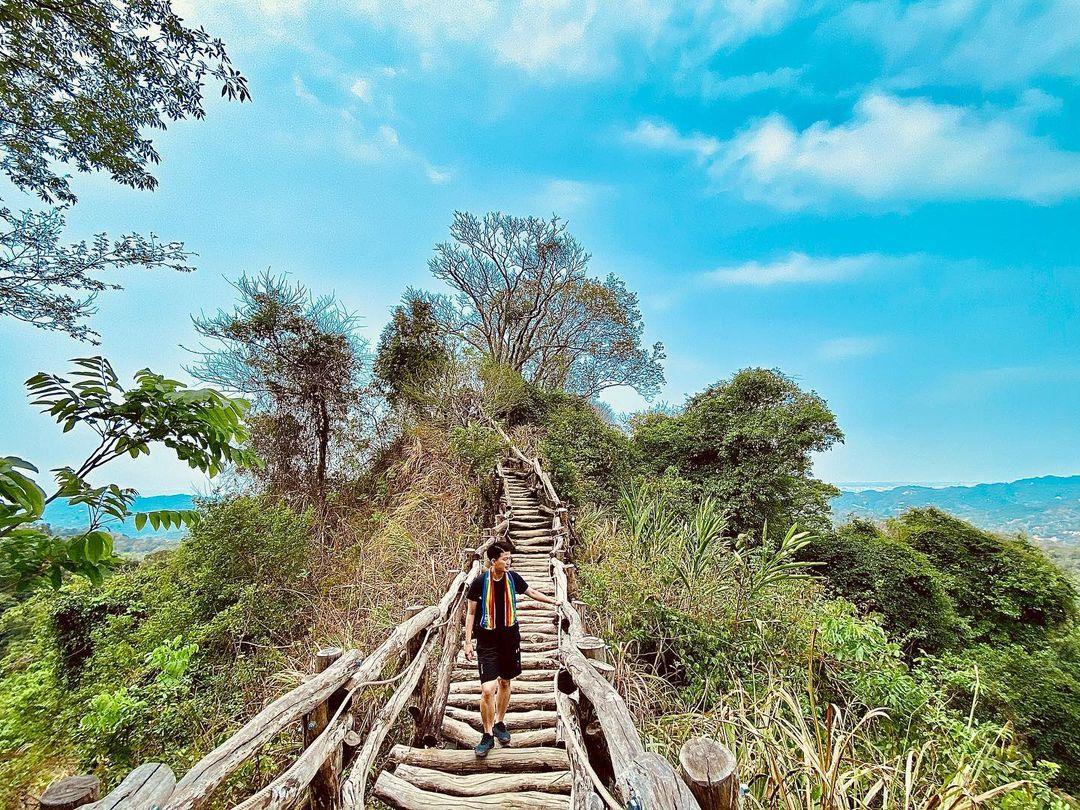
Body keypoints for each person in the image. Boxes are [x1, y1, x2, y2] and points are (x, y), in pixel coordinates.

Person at [463, 542, 562, 757]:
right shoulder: (480, 582)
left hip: (509, 638)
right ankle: (487, 735)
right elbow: (470, 613)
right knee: (488, 689)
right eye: (505, 559)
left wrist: (554, 601)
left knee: (505, 681)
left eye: (510, 558)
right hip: (487, 640)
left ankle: (499, 722)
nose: (508, 562)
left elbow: (531, 591)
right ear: (493, 560)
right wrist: (467, 641)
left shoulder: (512, 578)